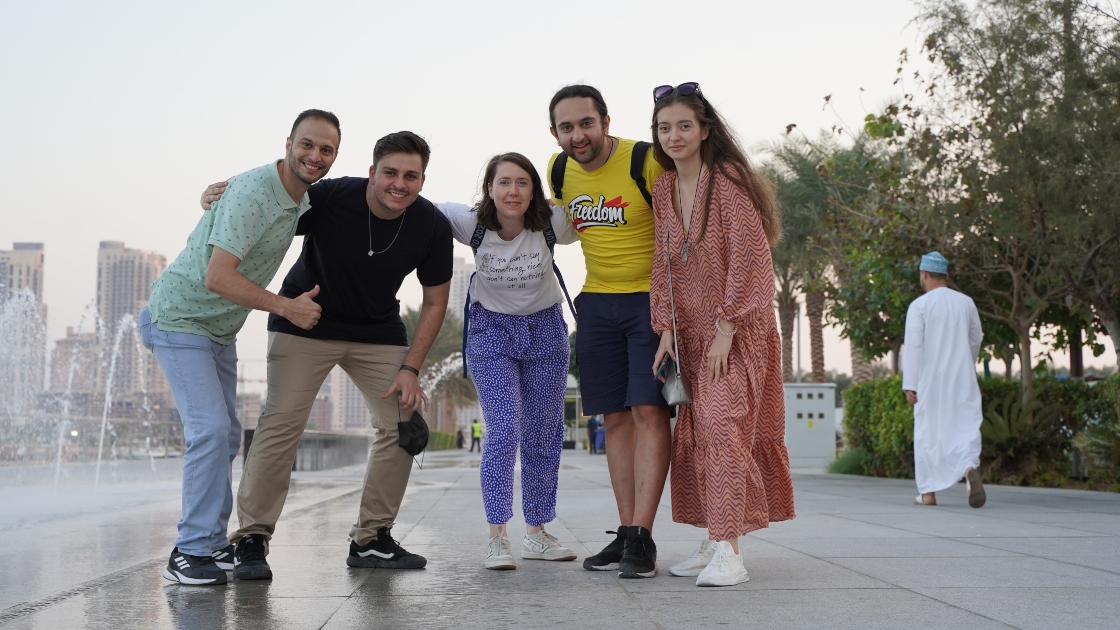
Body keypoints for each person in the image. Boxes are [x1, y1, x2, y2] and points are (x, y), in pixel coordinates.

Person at [199, 132, 453, 580]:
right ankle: (252, 538)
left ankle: (372, 539)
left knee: (405, 425)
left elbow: (434, 303)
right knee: (281, 424)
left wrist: (411, 369)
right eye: (390, 173)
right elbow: (275, 198)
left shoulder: (430, 224)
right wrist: (224, 192)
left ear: (422, 179)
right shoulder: (333, 196)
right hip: (304, 319)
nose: (400, 184)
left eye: (410, 176)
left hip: (377, 333)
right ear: (372, 172)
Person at [140, 109, 341, 585]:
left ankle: (211, 543)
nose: (315, 156)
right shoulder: (254, 193)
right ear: (288, 142)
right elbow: (217, 276)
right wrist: (285, 307)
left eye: (326, 149)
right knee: (209, 431)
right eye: (307, 144)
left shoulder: (300, 198)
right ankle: (188, 552)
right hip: (180, 318)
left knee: (228, 435)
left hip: (217, 329)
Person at [648, 83, 795, 587]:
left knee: (724, 428)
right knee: (700, 434)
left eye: (684, 125)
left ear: (705, 129)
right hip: (686, 334)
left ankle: (730, 553)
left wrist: (727, 327)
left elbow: (751, 256)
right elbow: (663, 262)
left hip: (735, 332)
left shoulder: (729, 180)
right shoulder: (664, 188)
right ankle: (714, 540)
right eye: (664, 128)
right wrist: (664, 329)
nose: (674, 136)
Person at [548, 85, 671, 578]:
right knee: (614, 419)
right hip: (596, 303)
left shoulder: (645, 161)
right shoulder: (560, 171)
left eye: (586, 123)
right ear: (555, 132)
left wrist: (673, 314)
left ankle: (643, 536)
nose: (578, 135)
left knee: (648, 409)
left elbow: (680, 229)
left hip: (649, 302)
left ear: (605, 121)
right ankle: (625, 534)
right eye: (566, 127)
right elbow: (560, 229)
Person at [437, 152, 580, 570]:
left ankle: (536, 533)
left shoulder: (552, 222)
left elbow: (602, 213)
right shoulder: (470, 223)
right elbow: (409, 200)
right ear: (490, 188)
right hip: (490, 333)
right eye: (504, 182)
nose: (512, 191)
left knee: (543, 433)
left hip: (546, 332)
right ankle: (496, 537)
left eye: (522, 182)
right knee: (502, 429)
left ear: (534, 189)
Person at [902, 252, 986, 508]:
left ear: (924, 274)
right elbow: (975, 340)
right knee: (966, 426)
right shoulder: (967, 302)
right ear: (946, 275)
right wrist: (965, 363)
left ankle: (928, 493)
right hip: (963, 378)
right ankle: (970, 467)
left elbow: (914, 347)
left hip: (930, 381)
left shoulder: (920, 306)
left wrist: (910, 384)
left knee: (928, 433)